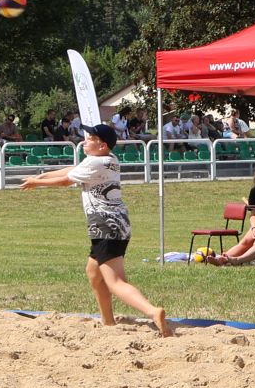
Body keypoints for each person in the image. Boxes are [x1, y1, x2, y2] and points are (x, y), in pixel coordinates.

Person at [20, 124, 172, 336]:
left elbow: (65, 181)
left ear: (101, 145)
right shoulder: (110, 160)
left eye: (90, 138)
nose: (85, 140)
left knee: (116, 281)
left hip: (104, 226)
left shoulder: (95, 162)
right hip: (119, 225)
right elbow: (71, 171)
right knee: (93, 273)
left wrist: (37, 182)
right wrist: (45, 174)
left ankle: (152, 311)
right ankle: (108, 322)